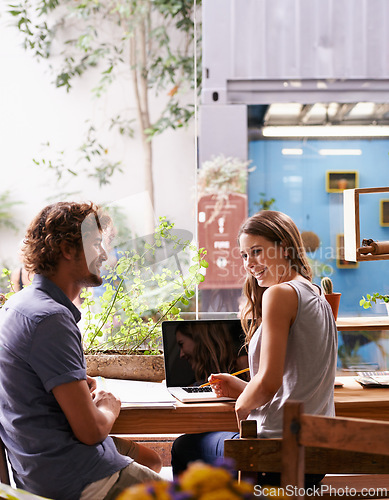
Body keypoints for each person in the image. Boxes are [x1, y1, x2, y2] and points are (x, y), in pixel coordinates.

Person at [0, 201, 162, 500]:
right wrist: (108, 406)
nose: (104, 254)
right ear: (67, 249)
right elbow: (90, 431)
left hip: (36, 470)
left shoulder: (17, 306)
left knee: (152, 459)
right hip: (78, 478)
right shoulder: (51, 318)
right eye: (97, 244)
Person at [171, 210, 338, 486]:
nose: (250, 263)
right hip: (314, 456)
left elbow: (269, 382)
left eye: (257, 251)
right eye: (245, 256)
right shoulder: (316, 293)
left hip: (276, 454)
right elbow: (293, 384)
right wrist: (240, 388)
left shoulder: (279, 294)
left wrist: (241, 406)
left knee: (183, 447)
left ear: (285, 248)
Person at [175, 322, 248, 385]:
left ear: (199, 340)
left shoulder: (242, 364)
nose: (181, 355)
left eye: (181, 344)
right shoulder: (200, 381)